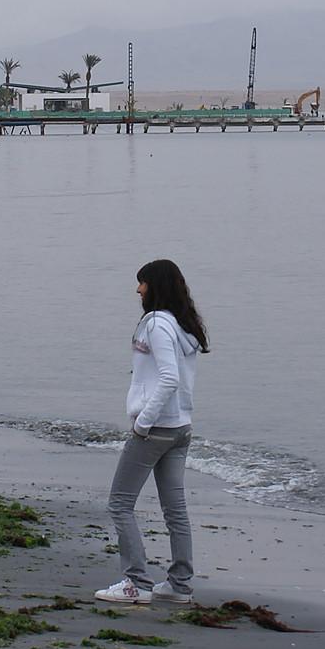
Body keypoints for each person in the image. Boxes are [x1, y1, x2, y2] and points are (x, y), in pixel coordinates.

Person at [97, 258, 208, 608]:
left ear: (155, 286)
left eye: (142, 283)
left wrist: (143, 422)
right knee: (175, 508)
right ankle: (179, 585)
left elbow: (169, 378)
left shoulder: (159, 324)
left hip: (157, 428)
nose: (137, 289)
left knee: (120, 503)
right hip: (180, 428)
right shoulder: (182, 324)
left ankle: (136, 582)